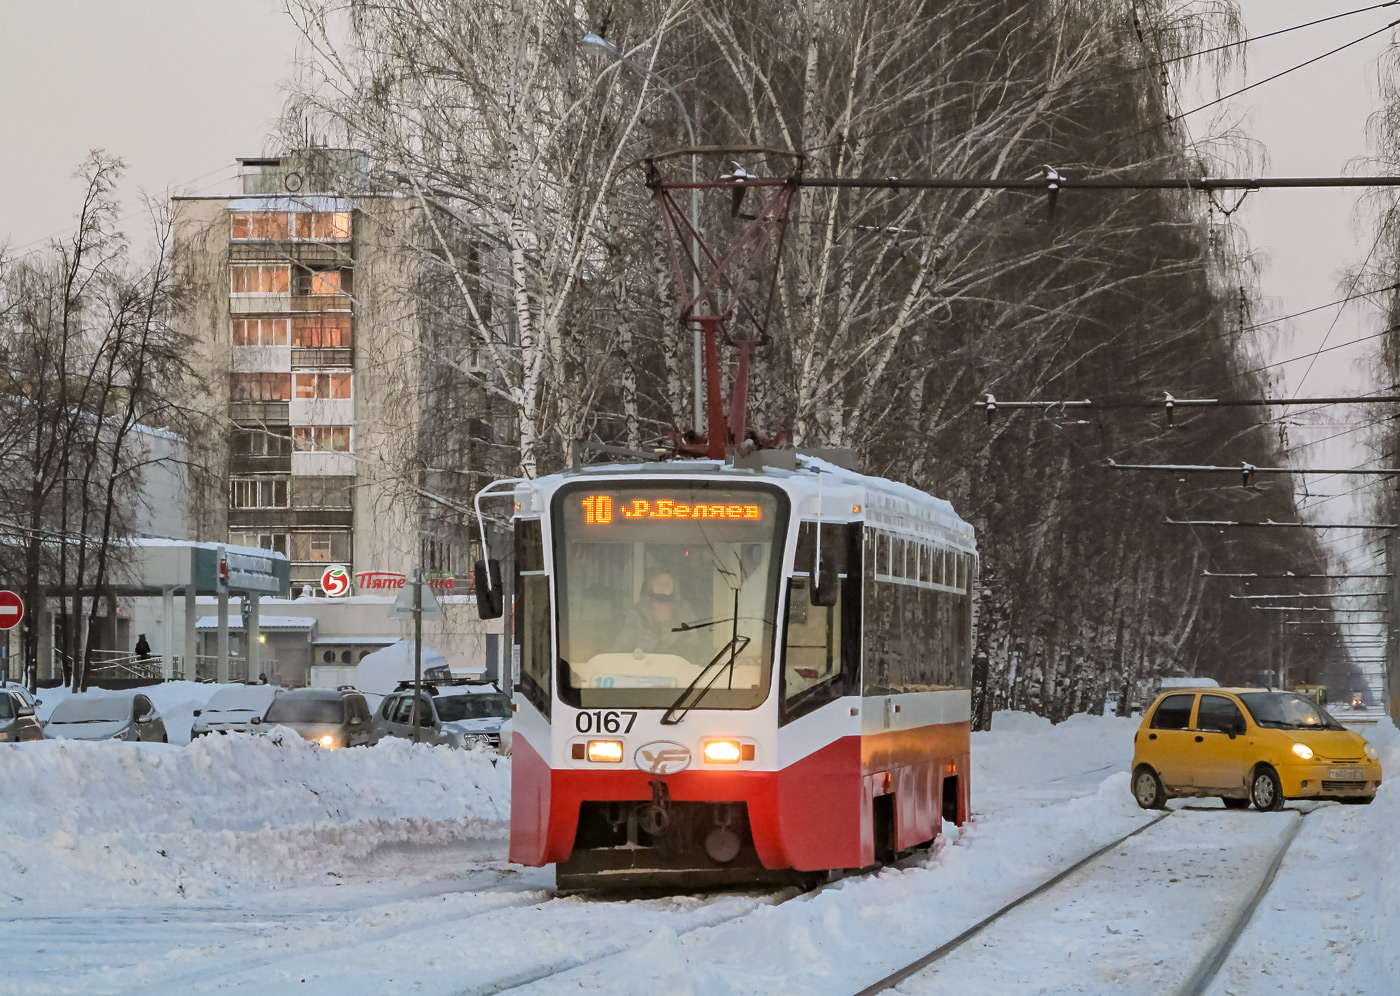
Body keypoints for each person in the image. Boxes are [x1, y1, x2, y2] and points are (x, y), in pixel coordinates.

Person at [618, 573, 697, 658]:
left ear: (674, 588)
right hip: (644, 663)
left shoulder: (683, 610)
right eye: (658, 583)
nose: (662, 587)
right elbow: (626, 639)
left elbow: (692, 640)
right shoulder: (638, 611)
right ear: (651, 585)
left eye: (667, 584)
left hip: (674, 665)